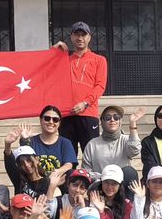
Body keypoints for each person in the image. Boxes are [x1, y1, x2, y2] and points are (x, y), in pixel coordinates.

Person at [53, 21, 107, 154]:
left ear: (89, 37)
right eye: (77, 34)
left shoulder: (99, 60)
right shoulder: (64, 61)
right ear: (71, 37)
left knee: (91, 156)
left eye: (83, 35)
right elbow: (47, 73)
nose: (80, 38)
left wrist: (85, 103)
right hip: (67, 114)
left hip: (88, 113)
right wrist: (53, 51)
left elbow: (100, 86)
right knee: (67, 156)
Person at [80, 105, 142, 178]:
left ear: (120, 122)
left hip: (122, 182)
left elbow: (135, 150)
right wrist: (105, 178)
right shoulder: (92, 144)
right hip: (100, 182)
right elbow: (86, 172)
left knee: (130, 173)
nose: (112, 120)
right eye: (108, 118)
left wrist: (132, 123)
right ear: (102, 122)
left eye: (116, 117)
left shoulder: (126, 140)